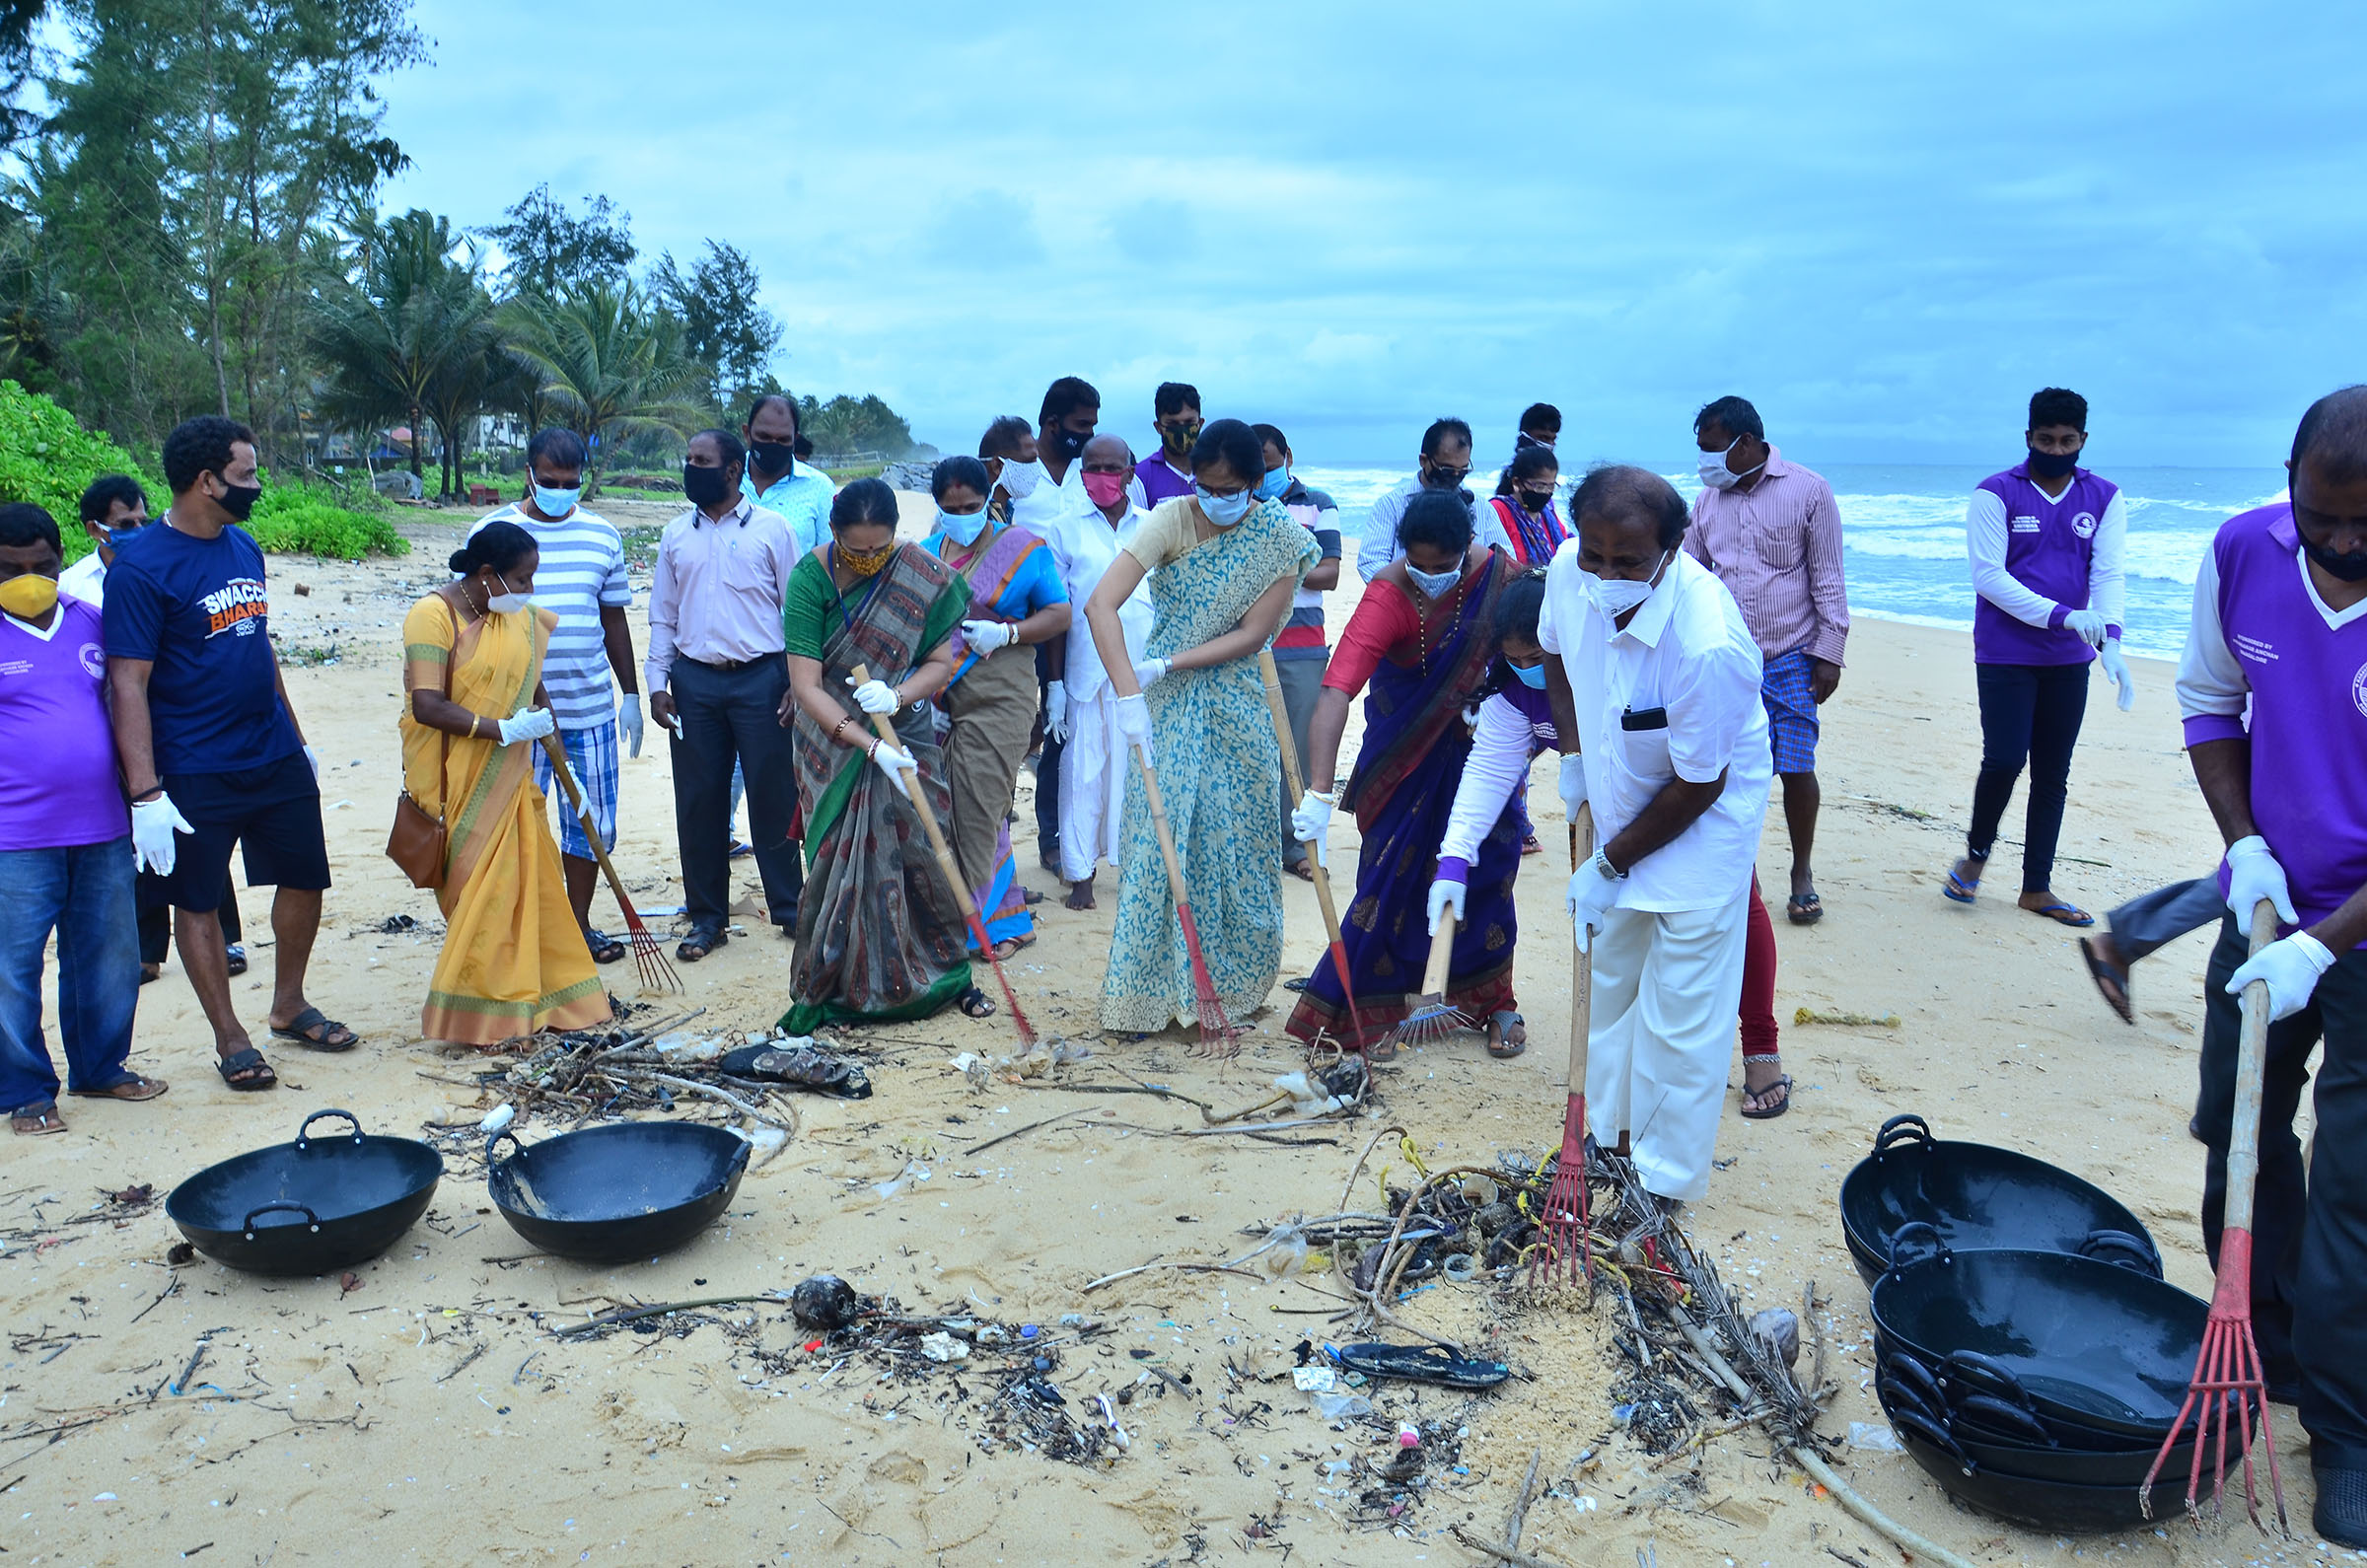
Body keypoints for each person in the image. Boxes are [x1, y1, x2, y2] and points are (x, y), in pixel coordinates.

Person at [2176, 386, 2367, 1546]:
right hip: (2265, 903)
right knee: (2231, 1133)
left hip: (2354, 935)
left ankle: (2347, 1430)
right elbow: (2211, 703)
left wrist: (2321, 947)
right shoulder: (2244, 548)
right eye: (2324, 517)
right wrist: (2243, 847)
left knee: (2354, 1181)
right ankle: (2272, 1351)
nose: (2345, 545)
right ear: (2289, 481)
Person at [1540, 465, 1771, 1205]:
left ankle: (1664, 1182)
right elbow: (1554, 656)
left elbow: (1701, 784)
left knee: (1680, 1015)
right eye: (1594, 554)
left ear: (1672, 549)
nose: (1607, 573)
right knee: (1605, 985)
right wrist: (1573, 757)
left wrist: (1608, 865)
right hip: (1614, 801)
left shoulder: (1707, 641)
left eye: (1629, 560)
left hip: (1701, 831)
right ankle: (1604, 1141)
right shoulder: (1564, 575)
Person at [105, 414, 352, 1093]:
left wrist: (299, 741)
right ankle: (231, 1036)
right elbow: (128, 681)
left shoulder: (243, 548)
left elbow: (259, 644)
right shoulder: (139, 569)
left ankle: (288, 1003)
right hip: (193, 763)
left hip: (271, 752)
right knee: (197, 900)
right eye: (246, 475)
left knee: (305, 877)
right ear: (206, 481)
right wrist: (146, 791)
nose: (256, 485)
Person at [1085, 418, 1317, 1034]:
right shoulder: (1169, 519)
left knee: (1235, 840)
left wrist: (1170, 662)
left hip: (1238, 702)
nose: (1218, 497)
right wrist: (1130, 691)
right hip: (1163, 706)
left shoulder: (1276, 535)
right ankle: (1144, 998)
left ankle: (1230, 988)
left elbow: (1251, 634)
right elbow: (1099, 604)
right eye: (1206, 485)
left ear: (1255, 482)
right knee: (1159, 843)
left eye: (1231, 487)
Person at [1283, 491, 1526, 1057]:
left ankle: (1494, 1001)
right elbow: (1337, 690)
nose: (1432, 577)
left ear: (1469, 547)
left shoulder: (1500, 576)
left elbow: (1540, 647)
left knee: (1489, 867)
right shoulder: (1389, 594)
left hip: (1485, 750)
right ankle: (1379, 1005)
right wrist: (1320, 791)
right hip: (1402, 760)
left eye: (1445, 566)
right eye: (1420, 565)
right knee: (1389, 874)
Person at [779, 477, 980, 1029]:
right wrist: (868, 745)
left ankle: (943, 973)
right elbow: (805, 685)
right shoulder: (809, 579)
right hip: (831, 742)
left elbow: (940, 662)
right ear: (834, 534)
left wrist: (898, 694)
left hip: (905, 730)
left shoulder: (918, 572)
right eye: (856, 549)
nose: (869, 560)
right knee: (836, 859)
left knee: (923, 844)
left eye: (880, 549)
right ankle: (837, 985)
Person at [400, 524, 611, 1045]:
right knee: (480, 896)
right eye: (523, 579)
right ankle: (480, 1015)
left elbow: (536, 694)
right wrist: (499, 730)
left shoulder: (519, 622)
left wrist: (567, 771)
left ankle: (537, 999)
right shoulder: (433, 615)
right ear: (487, 575)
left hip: (513, 782)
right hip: (455, 780)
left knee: (522, 890)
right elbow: (426, 704)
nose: (530, 591)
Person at [1943, 388, 2134, 927]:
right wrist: (2063, 615)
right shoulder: (1996, 494)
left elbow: (2108, 573)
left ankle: (2036, 888)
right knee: (2004, 759)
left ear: (2083, 440)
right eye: (2045, 440)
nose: (2056, 448)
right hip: (2005, 653)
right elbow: (1989, 577)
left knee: (2053, 772)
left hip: (2068, 661)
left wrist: (2111, 642)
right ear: (2028, 438)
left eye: (2067, 440)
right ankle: (1976, 856)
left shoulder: (2104, 496)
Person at [0, 503, 163, 1134]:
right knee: (13, 969)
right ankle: (26, 1091)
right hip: (14, 838)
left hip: (101, 827)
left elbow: (129, 699)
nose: (29, 578)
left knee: (108, 957)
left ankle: (101, 1068)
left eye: (41, 564)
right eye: (11, 569)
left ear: (59, 555)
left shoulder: (91, 622)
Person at [468, 429, 640, 966]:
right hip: (512, 718)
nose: (560, 490)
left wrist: (630, 692)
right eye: (549, 481)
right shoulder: (493, 532)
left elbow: (613, 618)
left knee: (589, 828)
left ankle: (578, 923)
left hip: (586, 710)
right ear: (529, 474)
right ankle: (518, 933)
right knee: (510, 828)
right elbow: (467, 618)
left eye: (571, 483)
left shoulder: (603, 536)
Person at [69, 474, 247, 984]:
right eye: (124, 524)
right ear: (96, 529)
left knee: (199, 831)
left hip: (170, 717)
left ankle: (226, 936)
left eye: (142, 520)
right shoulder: (73, 588)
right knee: (141, 837)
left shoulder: (159, 562)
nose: (136, 530)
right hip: (112, 721)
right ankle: (148, 949)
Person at [1686, 394, 1850, 928]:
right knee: (1726, 770)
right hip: (1728, 659)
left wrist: (1830, 652)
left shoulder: (1808, 490)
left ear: (1748, 443)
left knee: (1796, 767)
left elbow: (1827, 576)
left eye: (1713, 450)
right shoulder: (1708, 501)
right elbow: (1691, 576)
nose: (1705, 462)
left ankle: (1802, 872)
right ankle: (1740, 872)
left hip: (1791, 656)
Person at [645, 429, 804, 961]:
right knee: (699, 802)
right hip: (694, 684)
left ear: (734, 469)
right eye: (688, 459)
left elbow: (798, 612)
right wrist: (657, 684)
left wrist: (799, 684)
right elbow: (663, 615)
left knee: (773, 795)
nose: (692, 467)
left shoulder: (773, 530)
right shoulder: (675, 536)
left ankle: (789, 908)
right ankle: (707, 918)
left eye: (702, 460)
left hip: (762, 679)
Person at [924, 457, 1069, 959]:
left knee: (982, 808)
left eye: (971, 506)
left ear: (991, 499)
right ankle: (1002, 919)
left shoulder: (1022, 548)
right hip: (939, 696)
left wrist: (1007, 631)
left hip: (1002, 693)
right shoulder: (926, 552)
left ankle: (987, 929)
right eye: (950, 507)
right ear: (937, 505)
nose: (961, 514)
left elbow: (1059, 613)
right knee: (951, 810)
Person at [1054, 435, 1154, 910]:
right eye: (1091, 467)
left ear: (1130, 473)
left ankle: (1136, 869)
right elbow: (1055, 610)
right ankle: (1081, 877)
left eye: (1111, 468)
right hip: (1087, 671)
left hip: (1145, 671)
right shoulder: (1063, 529)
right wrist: (1052, 684)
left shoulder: (1154, 526)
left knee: (1139, 773)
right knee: (1083, 774)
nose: (1101, 476)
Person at [1254, 423, 1343, 882]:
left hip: (1303, 645)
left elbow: (1329, 573)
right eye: (1256, 466)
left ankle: (1296, 847)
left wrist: (1274, 568)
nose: (1263, 472)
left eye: (1269, 463)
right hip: (1244, 648)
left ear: (1287, 456)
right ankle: (1255, 848)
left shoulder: (1318, 504)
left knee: (1300, 752)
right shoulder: (1235, 506)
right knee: (1252, 751)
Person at [1355, 417, 1513, 581]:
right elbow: (1371, 562)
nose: (1455, 476)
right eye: (1447, 469)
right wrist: (1408, 591)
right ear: (1423, 460)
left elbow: (1505, 561)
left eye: (1463, 470)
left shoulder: (1481, 508)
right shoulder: (1391, 505)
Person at [742, 392, 837, 555]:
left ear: (795, 439)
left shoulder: (819, 487)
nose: (773, 445)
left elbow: (830, 558)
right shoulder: (723, 480)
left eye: (783, 439)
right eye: (764, 436)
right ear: (747, 434)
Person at [1488, 443, 1566, 568]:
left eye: (1551, 486)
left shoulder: (1548, 515)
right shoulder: (1497, 510)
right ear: (1517, 483)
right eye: (1540, 486)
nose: (1546, 492)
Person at [1138, 383, 1201, 507]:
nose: (1182, 430)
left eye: (1189, 422)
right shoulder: (1141, 476)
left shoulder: (1217, 470)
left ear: (1201, 423)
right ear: (1158, 427)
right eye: (1173, 424)